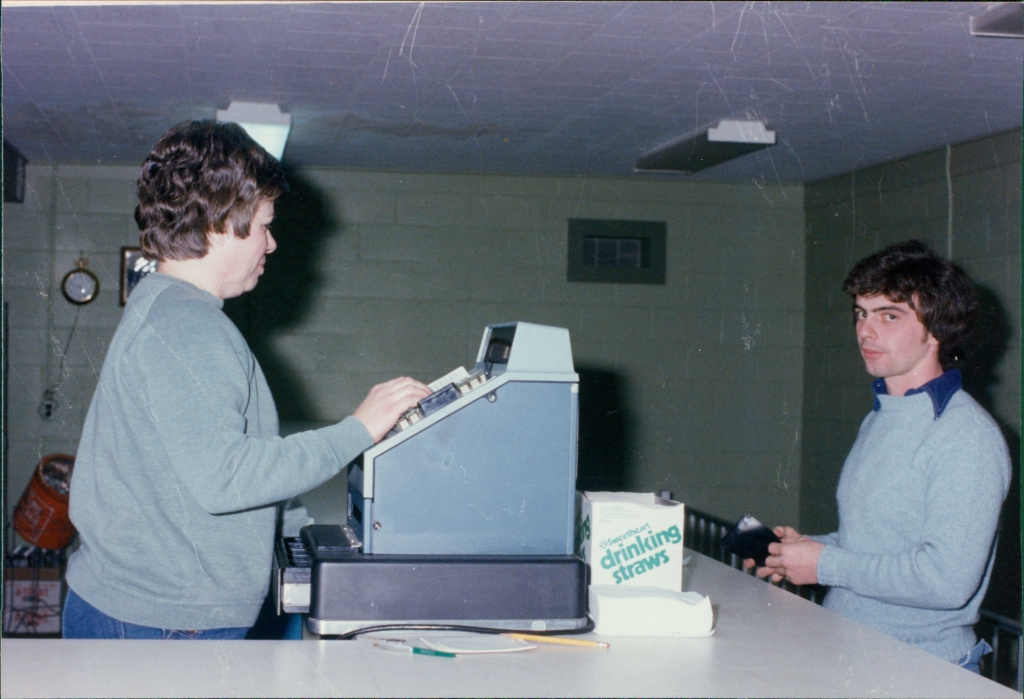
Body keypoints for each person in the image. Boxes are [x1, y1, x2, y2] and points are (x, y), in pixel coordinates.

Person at [62, 120, 430, 639]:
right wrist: (357, 431)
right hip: (161, 624)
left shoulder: (163, 306)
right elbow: (224, 478)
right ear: (217, 225)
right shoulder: (189, 325)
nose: (272, 244)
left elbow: (183, 469)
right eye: (263, 226)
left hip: (142, 611)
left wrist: (296, 529)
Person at [747, 240, 1010, 672]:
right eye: (861, 314)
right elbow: (877, 543)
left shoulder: (965, 436)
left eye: (889, 315)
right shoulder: (882, 416)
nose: (866, 331)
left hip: (921, 669)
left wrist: (825, 564)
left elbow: (946, 582)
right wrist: (804, 551)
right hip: (853, 651)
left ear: (938, 329)